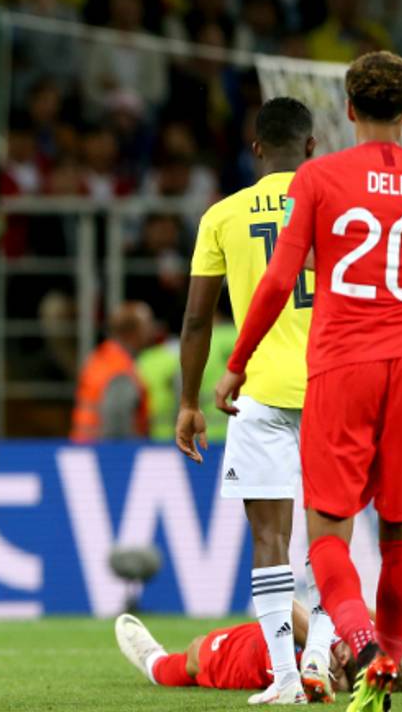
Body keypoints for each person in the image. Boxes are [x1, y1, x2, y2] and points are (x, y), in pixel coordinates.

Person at [217, 51, 402, 712]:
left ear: (348, 109)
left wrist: (237, 361)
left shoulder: (318, 179)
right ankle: (390, 650)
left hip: (342, 363)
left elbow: (277, 281)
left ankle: (360, 644)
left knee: (327, 530)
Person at [177, 97, 334, 704]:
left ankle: (286, 680)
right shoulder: (337, 202)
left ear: (257, 149)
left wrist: (189, 401)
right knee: (330, 539)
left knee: (269, 540)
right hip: (331, 388)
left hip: (256, 394)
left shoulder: (222, 215)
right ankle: (320, 656)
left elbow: (196, 320)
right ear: (313, 147)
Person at [114, 605, 402, 695]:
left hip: (264, 661)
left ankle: (155, 664)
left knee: (198, 653)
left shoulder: (333, 668)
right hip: (307, 653)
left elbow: (282, 606)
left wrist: (328, 642)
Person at [70, 301, 155, 442]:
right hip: (103, 454)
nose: (151, 332)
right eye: (147, 327)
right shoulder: (120, 369)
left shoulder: (102, 356)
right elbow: (116, 422)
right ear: (131, 333)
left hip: (85, 450)